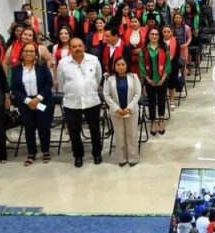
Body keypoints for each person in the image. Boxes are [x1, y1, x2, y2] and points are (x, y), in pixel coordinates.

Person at [57, 38, 104, 167]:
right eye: (74, 47)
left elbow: (98, 78)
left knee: (95, 129)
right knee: (74, 131)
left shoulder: (93, 60)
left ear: (84, 46)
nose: (77, 48)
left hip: (92, 101)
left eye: (79, 45)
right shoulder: (63, 63)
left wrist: (91, 88)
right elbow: (61, 83)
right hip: (72, 103)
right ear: (70, 49)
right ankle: (78, 155)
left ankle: (97, 153)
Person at [10, 43, 55, 166]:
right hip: (25, 103)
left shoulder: (42, 66)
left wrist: (38, 98)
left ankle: (45, 151)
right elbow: (14, 88)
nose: (29, 53)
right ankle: (31, 153)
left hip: (42, 101)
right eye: (26, 51)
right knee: (29, 128)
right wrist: (28, 101)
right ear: (22, 53)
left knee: (43, 127)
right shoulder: (16, 69)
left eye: (31, 51)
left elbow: (49, 83)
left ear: (36, 54)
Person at [102, 57, 142, 167]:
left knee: (132, 134)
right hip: (116, 112)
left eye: (123, 65)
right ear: (114, 66)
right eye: (118, 65)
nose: (120, 67)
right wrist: (117, 109)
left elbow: (137, 94)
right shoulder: (109, 78)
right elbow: (106, 95)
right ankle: (121, 158)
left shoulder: (134, 77)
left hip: (131, 110)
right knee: (119, 135)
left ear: (127, 65)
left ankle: (133, 158)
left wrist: (129, 107)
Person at [139, 27, 170, 135]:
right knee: (151, 101)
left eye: (156, 34)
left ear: (159, 36)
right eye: (152, 34)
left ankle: (161, 120)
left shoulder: (164, 47)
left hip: (162, 79)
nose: (154, 36)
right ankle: (153, 121)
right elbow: (142, 65)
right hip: (150, 80)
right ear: (148, 36)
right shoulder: (144, 49)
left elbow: (167, 64)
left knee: (161, 100)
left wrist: (163, 78)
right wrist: (147, 79)